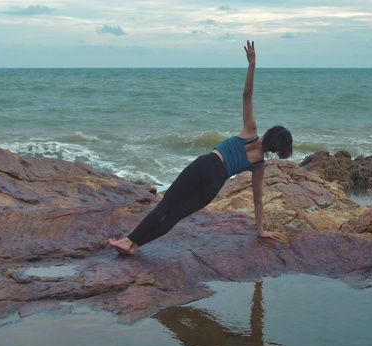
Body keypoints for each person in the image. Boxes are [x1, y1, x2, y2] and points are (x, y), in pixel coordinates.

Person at [109, 40, 293, 255]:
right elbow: (258, 199)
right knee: (175, 216)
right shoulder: (259, 165)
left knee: (165, 206)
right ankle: (134, 245)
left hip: (206, 165)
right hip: (214, 184)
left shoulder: (251, 131)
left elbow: (247, 95)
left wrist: (252, 65)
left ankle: (129, 240)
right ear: (278, 150)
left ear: (270, 133)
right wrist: (260, 230)